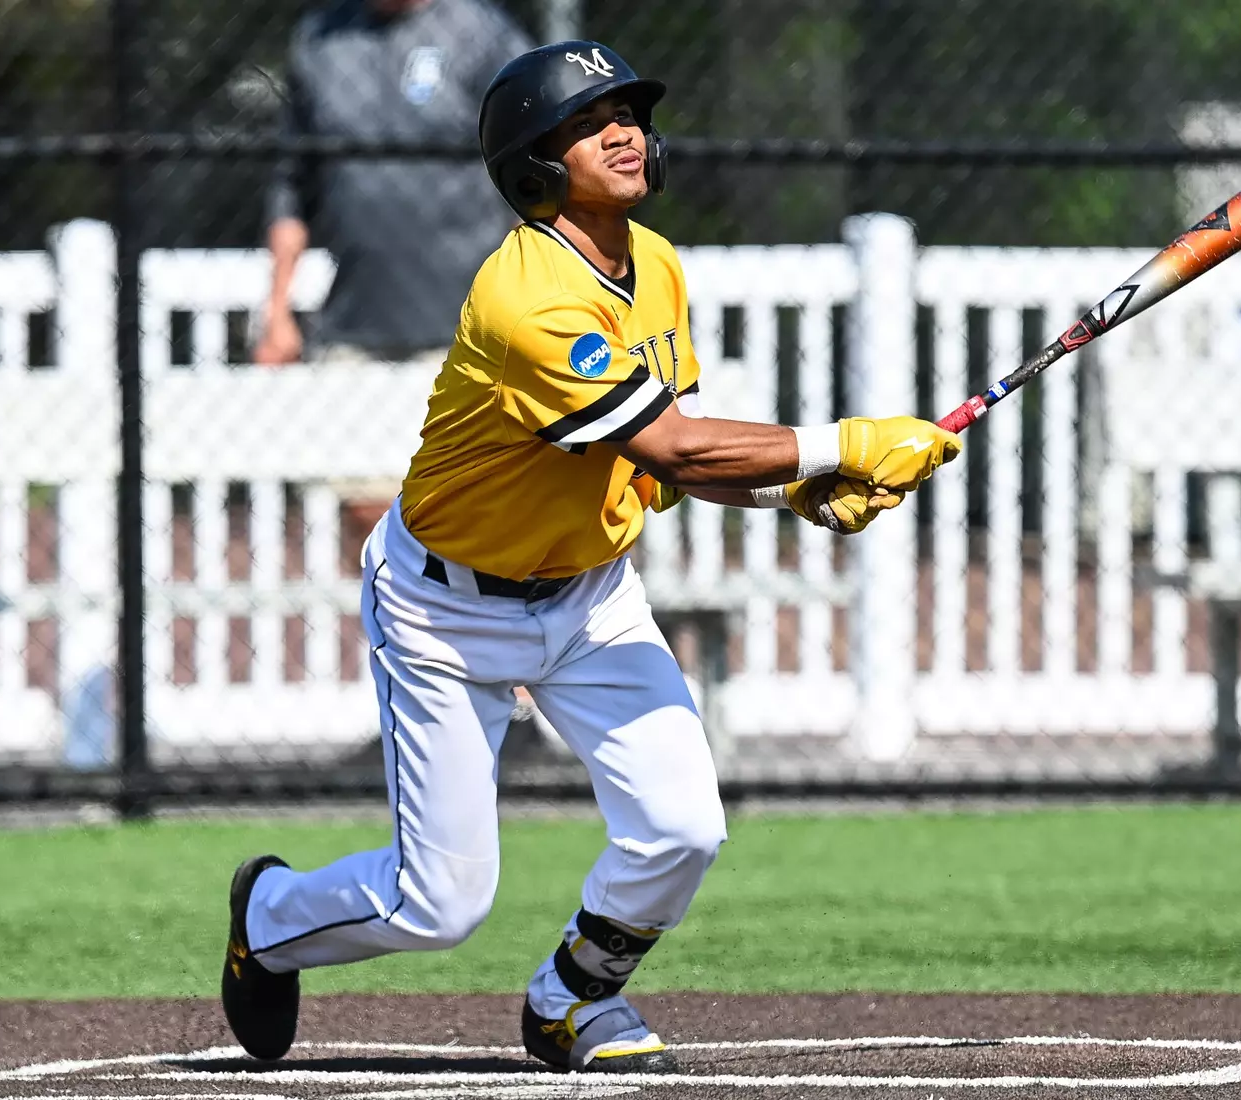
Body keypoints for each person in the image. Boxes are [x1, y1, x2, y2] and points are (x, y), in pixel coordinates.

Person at [219, 41, 963, 1075]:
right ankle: (270, 912)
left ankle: (571, 998)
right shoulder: (528, 299)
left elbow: (666, 454)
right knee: (439, 903)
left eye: (626, 110)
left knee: (682, 827)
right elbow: (672, 446)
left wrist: (796, 490)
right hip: (446, 610)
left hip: (590, 593)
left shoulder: (654, 263)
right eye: (586, 120)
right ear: (534, 160)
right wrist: (841, 444)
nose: (622, 129)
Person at [255, 0, 533, 366]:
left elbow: (530, 179)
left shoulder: (483, 33)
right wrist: (276, 314)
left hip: (475, 330)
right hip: (350, 332)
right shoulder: (320, 40)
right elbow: (291, 187)